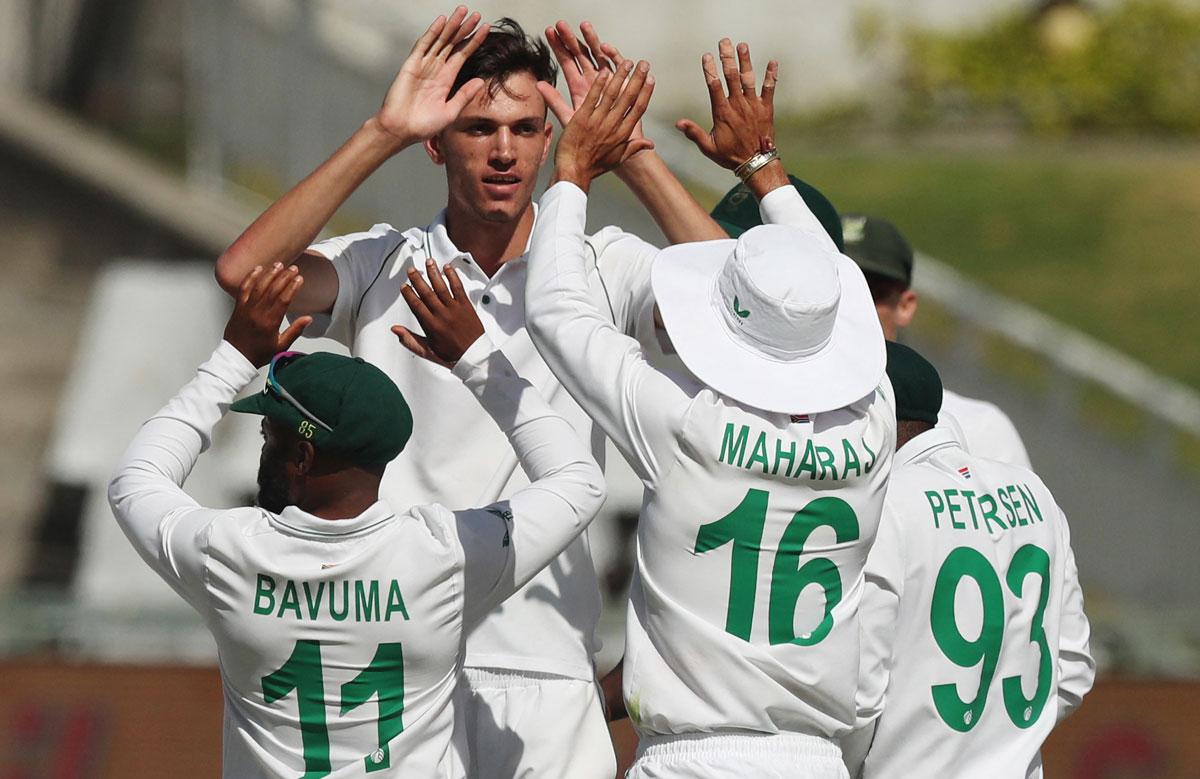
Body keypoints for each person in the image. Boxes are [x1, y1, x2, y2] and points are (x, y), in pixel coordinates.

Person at [212, 10, 723, 777]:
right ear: (436, 139)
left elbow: (733, 312)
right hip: (410, 664)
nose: (505, 151)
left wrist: (631, 153)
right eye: (479, 127)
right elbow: (243, 272)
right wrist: (381, 129)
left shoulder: (600, 262)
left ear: (550, 140)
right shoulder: (382, 261)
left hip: (550, 663)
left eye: (525, 127)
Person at [526, 43, 894, 778]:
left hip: (691, 760)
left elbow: (556, 312)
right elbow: (835, 299)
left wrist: (573, 172)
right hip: (815, 760)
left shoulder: (689, 430)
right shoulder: (874, 422)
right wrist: (765, 171)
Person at [108, 263, 606, 776]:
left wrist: (232, 358)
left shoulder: (226, 552)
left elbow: (135, 481)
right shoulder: (442, 556)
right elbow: (579, 481)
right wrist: (478, 362)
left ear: (302, 458)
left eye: (268, 439)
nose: (263, 453)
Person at [841, 342, 1093, 778]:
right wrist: (1001, 746)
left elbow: (860, 697)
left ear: (873, 416)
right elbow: (1072, 670)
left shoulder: (884, 505)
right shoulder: (1035, 493)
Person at [712, 198, 1032, 468]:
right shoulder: (769, 413)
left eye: (872, 291)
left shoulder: (981, 427)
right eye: (841, 289)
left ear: (906, 305)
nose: (857, 305)